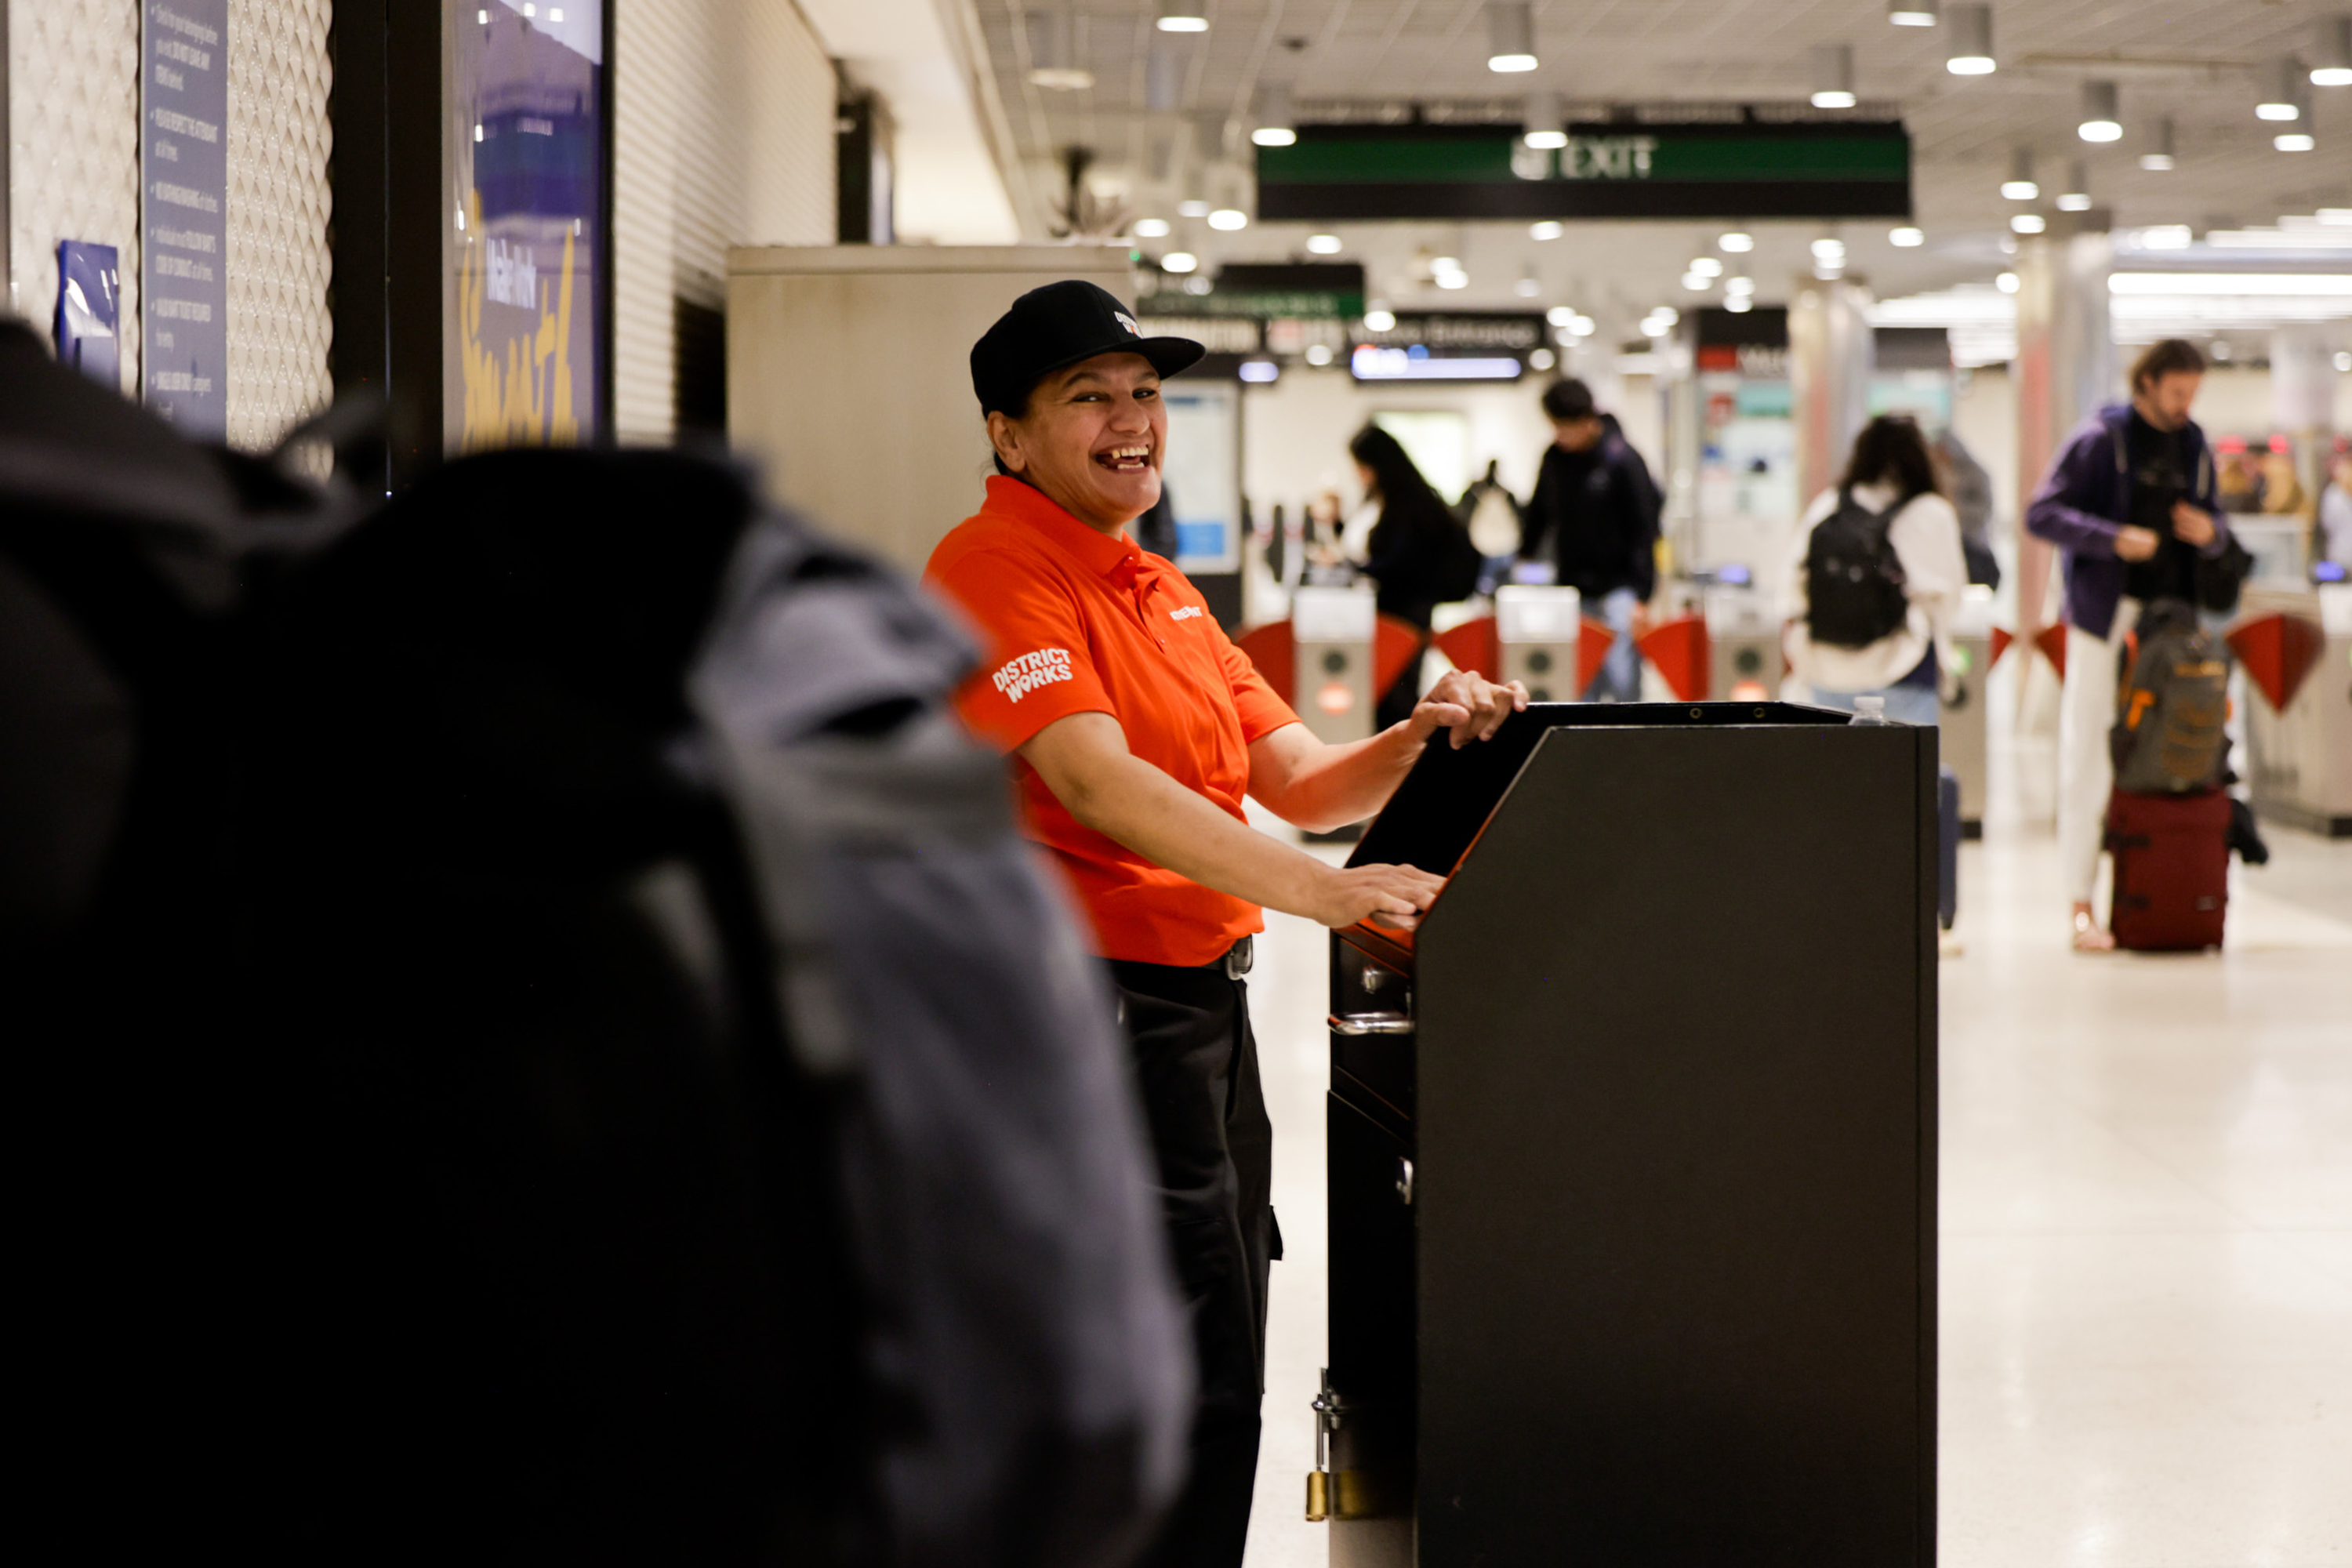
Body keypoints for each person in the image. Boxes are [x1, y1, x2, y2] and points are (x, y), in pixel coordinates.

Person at [922, 280, 1526, 1568]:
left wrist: (1416, 741)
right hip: (1089, 1023)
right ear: (1008, 433)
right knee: (1155, 1382)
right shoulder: (992, 568)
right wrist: (1324, 891)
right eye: (1089, 396)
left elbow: (1296, 773)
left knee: (1219, 1358)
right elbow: (1093, 779)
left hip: (1198, 1014)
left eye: (1145, 394)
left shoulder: (1161, 587)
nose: (1132, 420)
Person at [2026, 337, 2234, 953]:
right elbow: (2042, 513)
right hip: (2106, 618)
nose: (2184, 405)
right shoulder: (2101, 439)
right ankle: (2080, 902)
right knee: (2089, 751)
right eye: (2176, 392)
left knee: (2175, 750)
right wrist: (2111, 538)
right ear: (2146, 383)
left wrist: (2211, 532)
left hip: (2176, 624)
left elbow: (2218, 523)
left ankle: (2162, 888)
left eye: (2192, 394)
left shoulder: (2194, 444)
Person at [1784, 415, 1967, 726]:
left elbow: (1792, 588)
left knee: (1839, 769)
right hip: (1904, 667)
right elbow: (1949, 597)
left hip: (1827, 669)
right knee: (1906, 770)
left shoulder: (1828, 506)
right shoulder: (1930, 512)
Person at [1519, 378, 1661, 701]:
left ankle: (1628, 746)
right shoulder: (1554, 458)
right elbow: (1539, 513)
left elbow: (1644, 528)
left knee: (1623, 680)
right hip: (1572, 588)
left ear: (1587, 420)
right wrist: (1524, 557)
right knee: (1580, 680)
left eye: (1566, 426)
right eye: (1555, 426)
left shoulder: (1622, 459)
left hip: (1619, 588)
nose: (1560, 435)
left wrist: (1643, 594)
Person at [1348, 423, 1461, 727]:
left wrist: (1354, 567)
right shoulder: (1403, 498)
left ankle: (1403, 761)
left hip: (1406, 611)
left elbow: (1397, 561)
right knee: (1395, 688)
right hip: (1405, 609)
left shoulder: (1406, 503)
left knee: (1397, 691)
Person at [1932, 426, 2002, 588]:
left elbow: (1981, 515)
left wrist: (1951, 508)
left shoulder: (1976, 476)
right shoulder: (1935, 475)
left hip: (1973, 550)